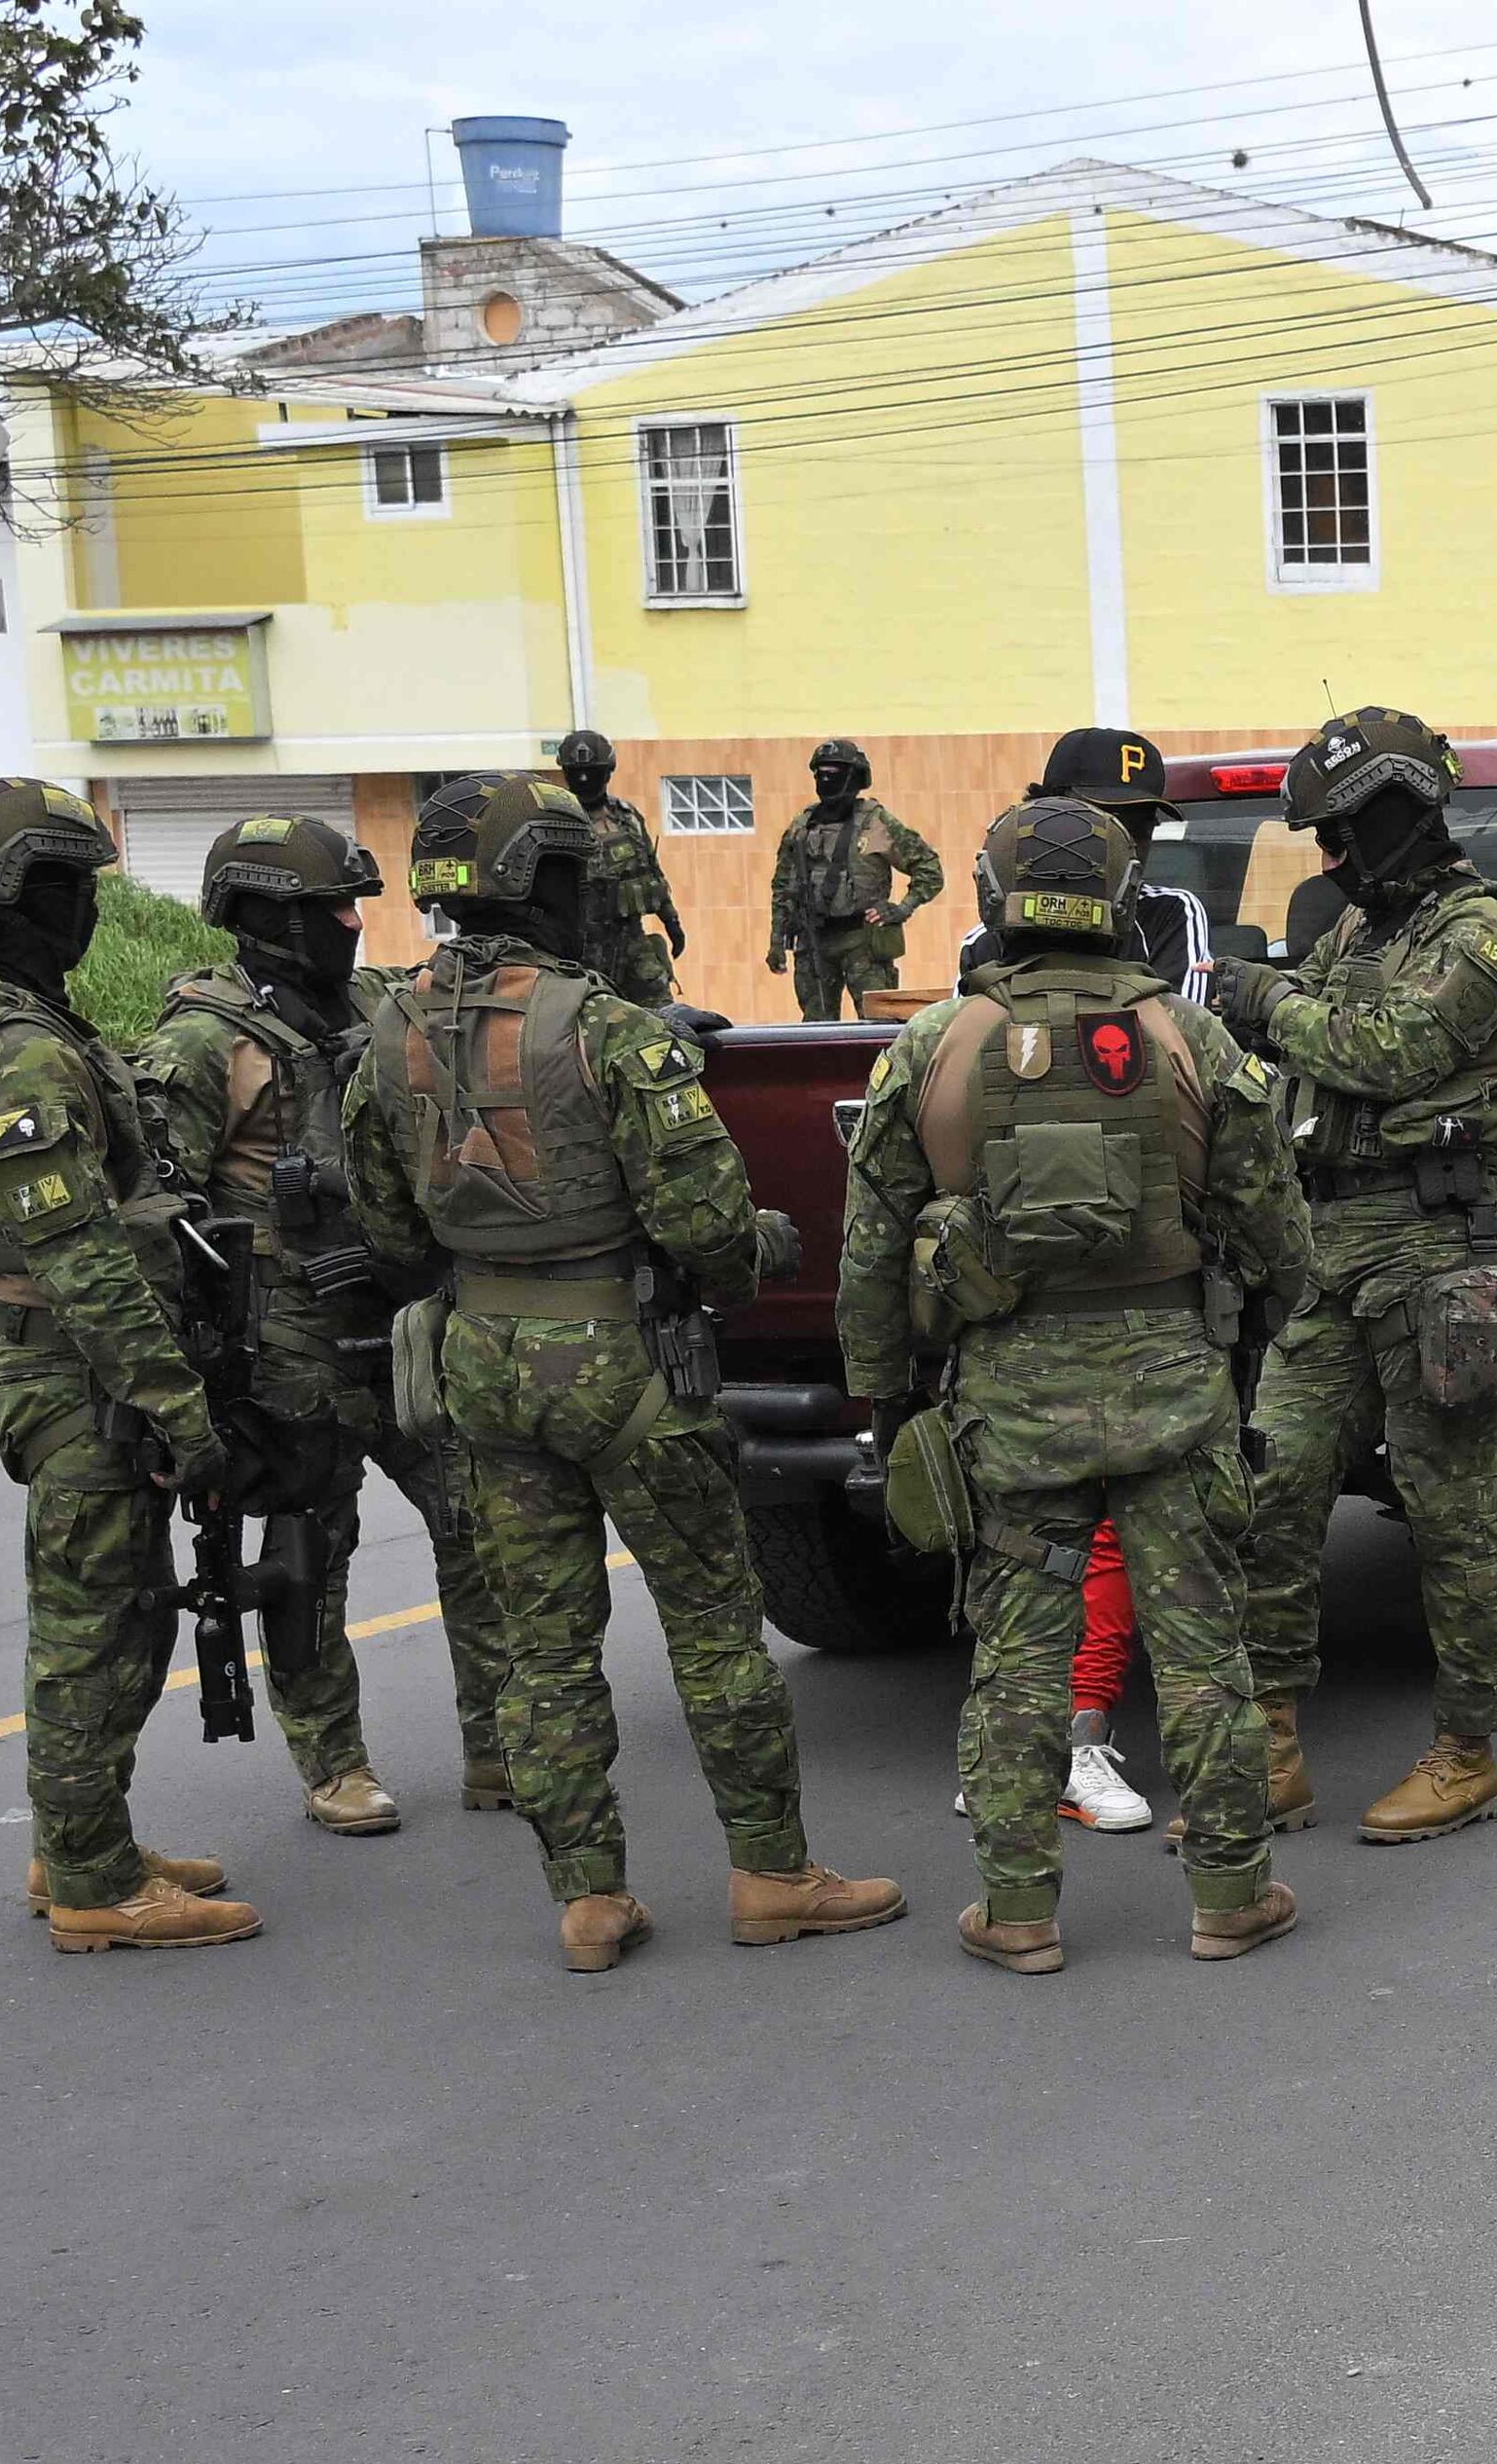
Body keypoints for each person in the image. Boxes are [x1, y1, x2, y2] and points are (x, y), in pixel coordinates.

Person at [345, 771, 903, 1972]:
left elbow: (386, 1232)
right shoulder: (606, 1029)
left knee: (542, 1646)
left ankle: (589, 1900)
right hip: (627, 1369)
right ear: (541, 883)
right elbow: (708, 1231)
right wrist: (769, 1245)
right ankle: (772, 1876)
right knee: (712, 1630)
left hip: (481, 1368)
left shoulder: (387, 1031)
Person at [838, 797, 1311, 1971]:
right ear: (1122, 900)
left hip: (1010, 1401)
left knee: (1017, 1657)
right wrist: (1246, 1350)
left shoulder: (933, 1044)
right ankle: (1231, 1895)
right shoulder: (1193, 1040)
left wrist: (887, 1399)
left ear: (994, 897)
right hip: (1173, 1389)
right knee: (1202, 1651)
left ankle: (1017, 1913)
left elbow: (871, 1250)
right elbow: (1277, 1236)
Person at [0, 779, 258, 1951]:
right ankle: (93, 1885)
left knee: (112, 1613)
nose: (90, 908)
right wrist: (177, 1406)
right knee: (99, 1628)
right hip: (81, 1365)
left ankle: (83, 1839)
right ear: (26, 895)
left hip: (51, 1353)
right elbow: (82, 1257)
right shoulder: (18, 1051)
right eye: (75, 887)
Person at [132, 813, 517, 1835]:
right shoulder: (201, 1042)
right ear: (265, 917)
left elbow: (478, 1005)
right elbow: (157, 1215)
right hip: (287, 1343)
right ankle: (334, 1763)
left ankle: (497, 1743)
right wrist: (187, 1380)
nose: (351, 923)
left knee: (475, 1516)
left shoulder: (372, 1000)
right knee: (310, 1554)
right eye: (328, 907)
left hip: (396, 1318)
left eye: (352, 905)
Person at [1209, 710, 1497, 1845]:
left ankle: (1467, 1751)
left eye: (1343, 834)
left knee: (1452, 1504)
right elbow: (1301, 1049)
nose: (1331, 860)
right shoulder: (1360, 929)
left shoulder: (1489, 933)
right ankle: (1270, 1743)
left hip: (1442, 1241)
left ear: (1403, 815)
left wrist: (1270, 1003)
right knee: (1274, 1478)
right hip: (1333, 1241)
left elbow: (1390, 1052)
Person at [954, 725, 1216, 1003]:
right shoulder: (986, 939)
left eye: (1140, 829)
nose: (1126, 844)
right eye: (1102, 825)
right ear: (1044, 814)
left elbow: (1178, 1026)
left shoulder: (1169, 914)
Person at [765, 738, 943, 1022]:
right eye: (820, 773)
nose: (825, 780)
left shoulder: (876, 822)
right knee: (816, 1031)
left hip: (864, 942)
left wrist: (901, 909)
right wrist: (777, 940)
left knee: (879, 1024)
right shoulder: (801, 828)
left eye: (834, 773)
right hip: (814, 943)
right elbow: (783, 888)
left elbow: (930, 869)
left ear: (854, 777)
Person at [556, 729, 688, 1006]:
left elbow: (650, 872)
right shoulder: (555, 822)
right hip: (579, 950)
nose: (584, 780)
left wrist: (671, 921)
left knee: (661, 1014)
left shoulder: (627, 817)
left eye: (592, 772)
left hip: (631, 941)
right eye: (578, 773)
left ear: (607, 772)